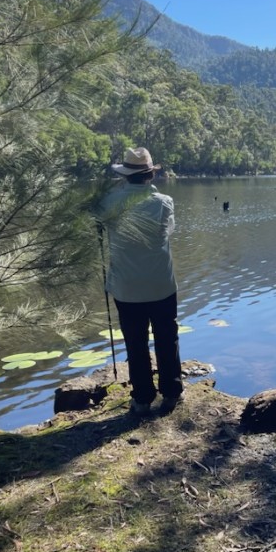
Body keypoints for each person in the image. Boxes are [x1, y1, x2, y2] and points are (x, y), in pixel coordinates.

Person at [97, 147, 183, 415]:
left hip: (126, 288)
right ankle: (171, 394)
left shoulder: (109, 202)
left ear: (125, 176)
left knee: (135, 342)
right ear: (150, 175)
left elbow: (97, 219)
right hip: (161, 284)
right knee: (167, 338)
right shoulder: (164, 202)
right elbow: (168, 232)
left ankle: (143, 399)